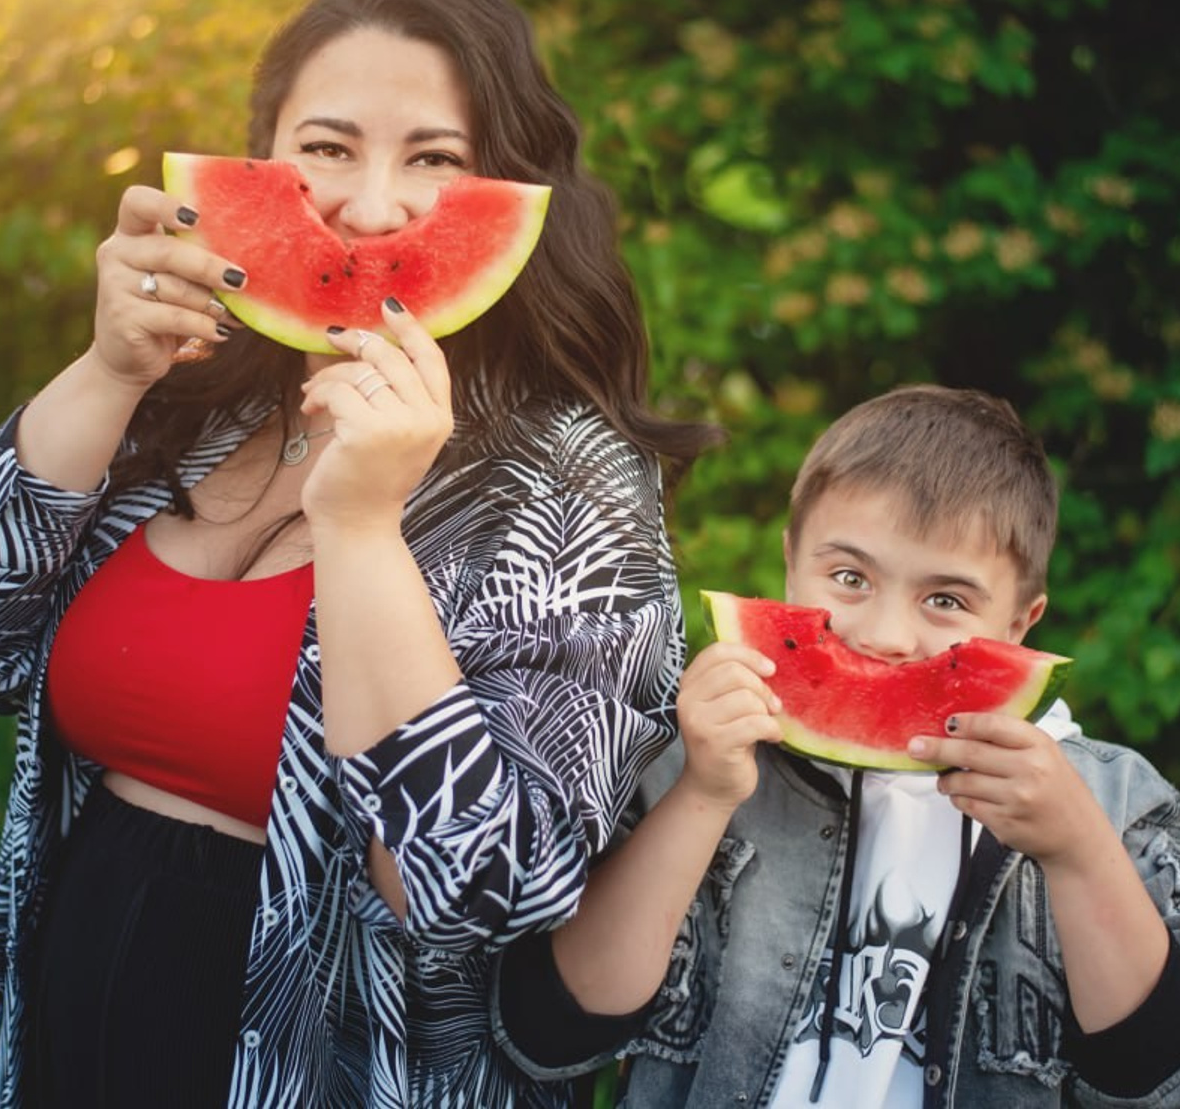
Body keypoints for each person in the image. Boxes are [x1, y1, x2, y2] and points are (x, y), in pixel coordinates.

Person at [0, 0, 720, 1109]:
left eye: (432, 158)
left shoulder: (571, 482)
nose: (369, 207)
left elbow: (476, 887)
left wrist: (363, 526)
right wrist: (105, 370)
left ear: (508, 190)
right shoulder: (189, 404)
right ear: (261, 161)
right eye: (327, 147)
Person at [493, 385, 1180, 1107]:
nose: (884, 635)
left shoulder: (1113, 803)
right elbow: (554, 1032)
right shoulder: (698, 756)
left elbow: (1152, 1076)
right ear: (791, 561)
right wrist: (701, 796)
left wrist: (1076, 854)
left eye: (945, 600)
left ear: (1021, 620)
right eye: (849, 577)